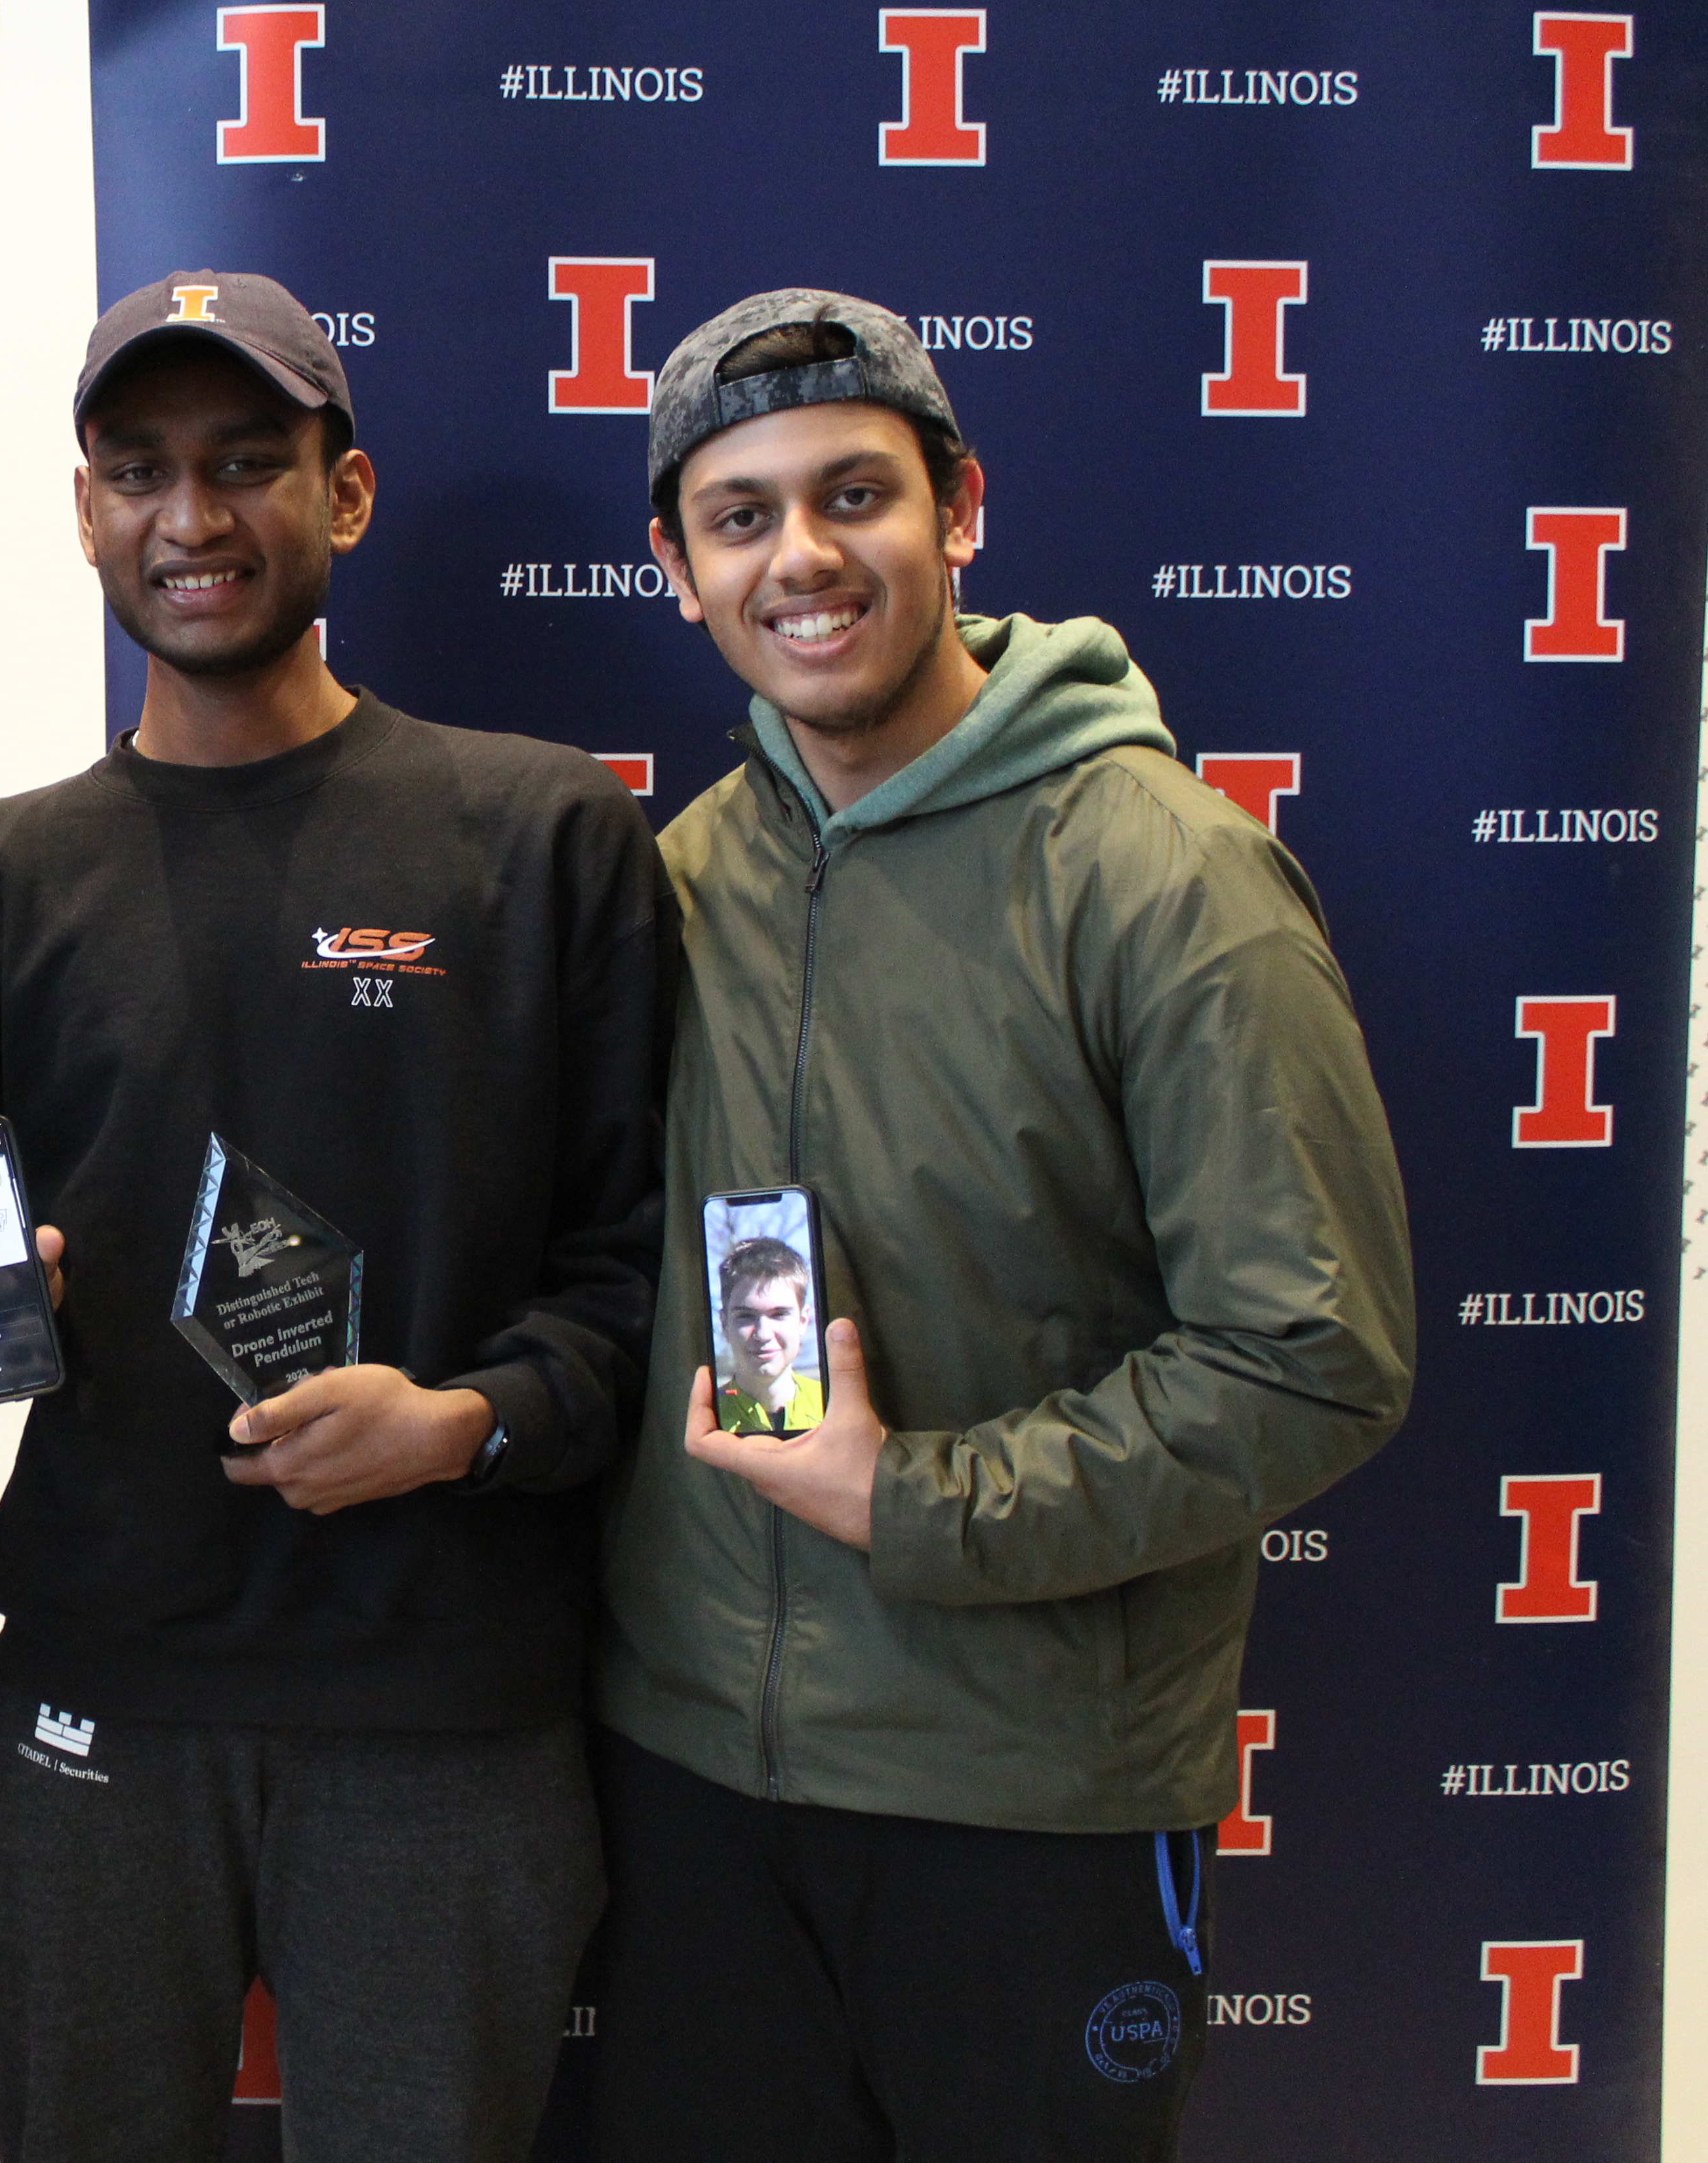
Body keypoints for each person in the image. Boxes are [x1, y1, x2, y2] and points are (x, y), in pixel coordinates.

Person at [584, 290, 1415, 2160]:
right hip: (696, 1789)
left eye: (854, 494)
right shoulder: (680, 877)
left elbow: (1314, 1359)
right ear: (676, 566)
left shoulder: (1164, 872)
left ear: (960, 508)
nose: (802, 557)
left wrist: (917, 1503)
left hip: (1027, 1809)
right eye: (741, 515)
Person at [0, 270, 669, 2162]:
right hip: (100, 1701)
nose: (192, 519)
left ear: (345, 494)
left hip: (452, 1716)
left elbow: (648, 1272)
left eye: (249, 463)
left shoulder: (543, 833)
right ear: (82, 510)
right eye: (139, 471)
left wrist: (467, 1423)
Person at [712, 1236, 824, 1436]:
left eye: (779, 1315)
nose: (763, 1334)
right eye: (746, 1316)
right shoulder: (706, 1418)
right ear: (724, 1323)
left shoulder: (834, 1406)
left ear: (803, 1321)